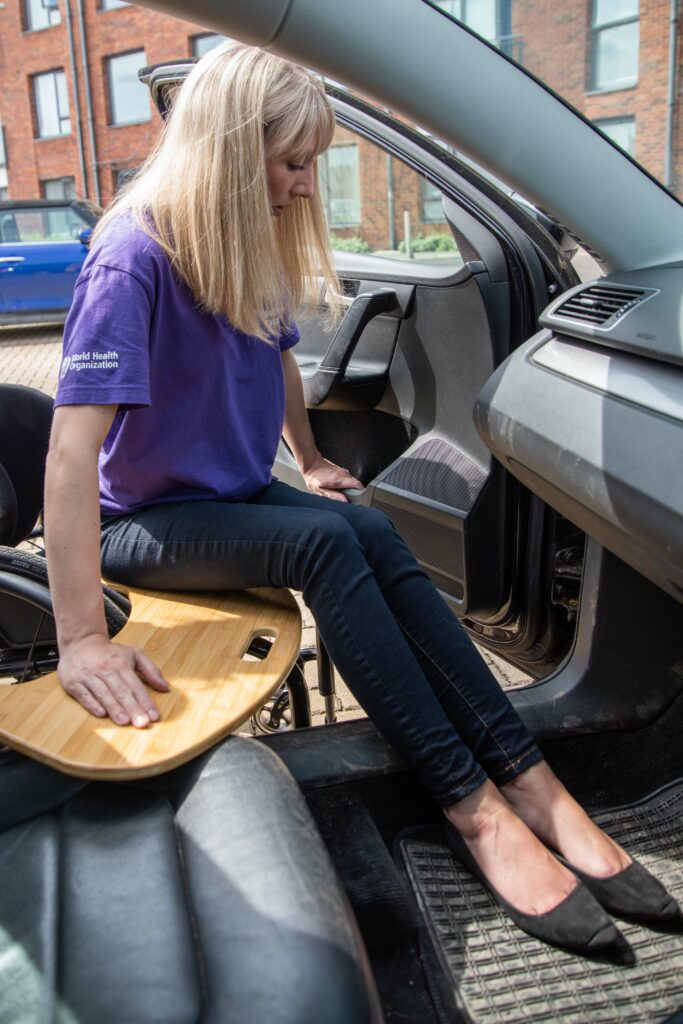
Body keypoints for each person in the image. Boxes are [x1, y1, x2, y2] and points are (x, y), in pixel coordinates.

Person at [44, 41, 677, 953]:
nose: (306, 186)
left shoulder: (237, 236)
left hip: (230, 495)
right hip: (136, 526)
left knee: (364, 528)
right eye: (293, 163)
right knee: (329, 547)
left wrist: (309, 460)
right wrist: (80, 639)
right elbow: (69, 462)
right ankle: (475, 813)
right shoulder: (132, 255)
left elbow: (275, 361)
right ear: (229, 149)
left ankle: (533, 784)